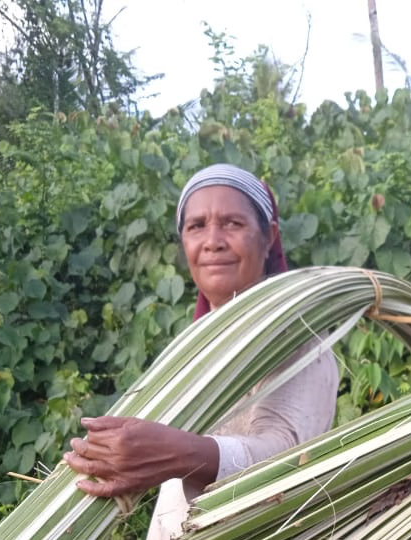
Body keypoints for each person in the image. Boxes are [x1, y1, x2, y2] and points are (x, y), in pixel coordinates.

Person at [62, 164, 340, 540]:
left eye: (233, 223)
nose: (212, 241)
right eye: (196, 226)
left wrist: (181, 453)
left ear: (269, 236)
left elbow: (289, 455)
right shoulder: (193, 347)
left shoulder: (298, 335)